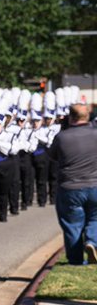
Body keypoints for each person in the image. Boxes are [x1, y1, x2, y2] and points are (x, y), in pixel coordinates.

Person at [48, 103, 97, 265]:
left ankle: (75, 260)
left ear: (71, 117)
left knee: (72, 224)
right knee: (95, 218)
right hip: (94, 184)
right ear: (87, 117)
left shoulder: (62, 137)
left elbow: (53, 156)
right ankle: (92, 241)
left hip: (70, 187)